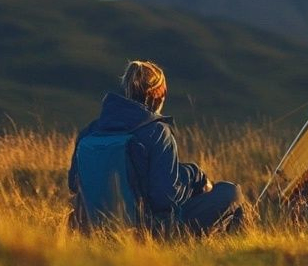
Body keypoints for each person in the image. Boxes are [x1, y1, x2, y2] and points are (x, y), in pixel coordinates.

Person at [68, 60, 244, 235]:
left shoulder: (90, 132)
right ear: (159, 95)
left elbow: (74, 184)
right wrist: (194, 176)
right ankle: (233, 247)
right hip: (147, 232)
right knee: (230, 193)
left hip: (93, 228)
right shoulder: (157, 131)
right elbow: (166, 197)